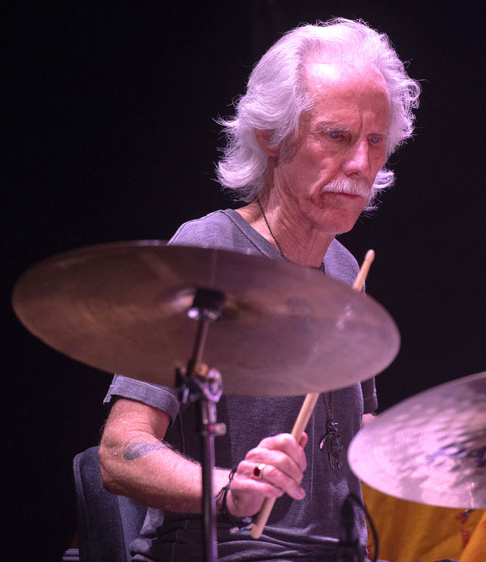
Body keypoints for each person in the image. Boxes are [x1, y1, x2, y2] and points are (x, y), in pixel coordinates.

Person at [98, 18, 420, 561]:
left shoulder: (347, 272)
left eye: (375, 141)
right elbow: (118, 454)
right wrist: (230, 489)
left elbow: (349, 442)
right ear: (272, 137)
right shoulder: (209, 251)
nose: (361, 164)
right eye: (337, 136)